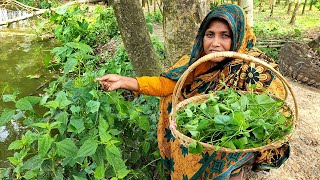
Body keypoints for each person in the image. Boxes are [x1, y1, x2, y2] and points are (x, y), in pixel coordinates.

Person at [96, 4, 290, 180]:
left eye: (225, 35)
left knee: (228, 166)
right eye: (210, 34)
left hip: (238, 139)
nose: (215, 43)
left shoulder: (255, 67)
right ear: (202, 36)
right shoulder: (195, 63)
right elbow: (166, 84)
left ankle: (234, 171)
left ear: (238, 35)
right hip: (204, 135)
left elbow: (274, 108)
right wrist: (125, 81)